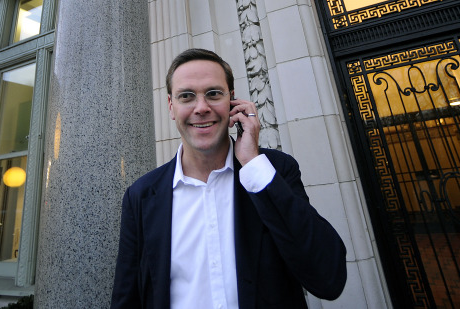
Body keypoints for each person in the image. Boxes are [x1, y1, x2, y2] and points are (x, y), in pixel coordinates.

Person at [111, 48, 347, 308]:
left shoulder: (275, 171)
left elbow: (329, 278)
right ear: (171, 106)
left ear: (232, 101)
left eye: (213, 94)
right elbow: (126, 298)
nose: (201, 108)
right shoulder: (141, 196)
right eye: (186, 96)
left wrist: (253, 164)